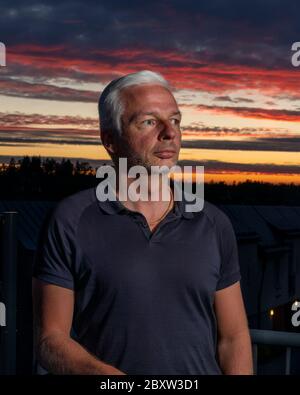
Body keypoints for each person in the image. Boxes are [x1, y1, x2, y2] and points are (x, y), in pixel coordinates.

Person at [32, 70, 253, 375]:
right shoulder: (71, 219)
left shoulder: (213, 223)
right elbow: (49, 339)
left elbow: (233, 338)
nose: (169, 133)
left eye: (175, 120)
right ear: (110, 139)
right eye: (149, 122)